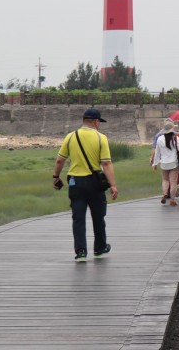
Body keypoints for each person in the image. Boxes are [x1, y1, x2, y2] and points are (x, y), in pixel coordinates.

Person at [52, 108, 118, 262]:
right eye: (99, 122)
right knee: (98, 217)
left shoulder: (70, 136)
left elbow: (60, 160)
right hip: (95, 182)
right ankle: (100, 248)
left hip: (76, 183)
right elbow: (106, 163)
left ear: (83, 120)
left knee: (78, 218)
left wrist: (56, 177)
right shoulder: (101, 138)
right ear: (96, 122)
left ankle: (81, 251)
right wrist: (113, 185)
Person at [151, 120, 179, 206]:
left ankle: (164, 193)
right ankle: (172, 199)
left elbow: (157, 152)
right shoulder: (175, 138)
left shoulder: (160, 139)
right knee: (173, 182)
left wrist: (155, 163)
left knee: (165, 180)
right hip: (174, 163)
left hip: (164, 163)